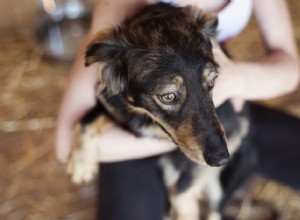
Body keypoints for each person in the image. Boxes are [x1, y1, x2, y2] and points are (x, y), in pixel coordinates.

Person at [55, 0, 299, 219]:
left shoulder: (208, 61)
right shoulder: (119, 36)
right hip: (128, 144)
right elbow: (65, 146)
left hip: (222, 106)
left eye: (210, 81)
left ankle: (221, 201)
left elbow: (290, 69)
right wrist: (173, 142)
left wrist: (233, 80)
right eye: (170, 95)